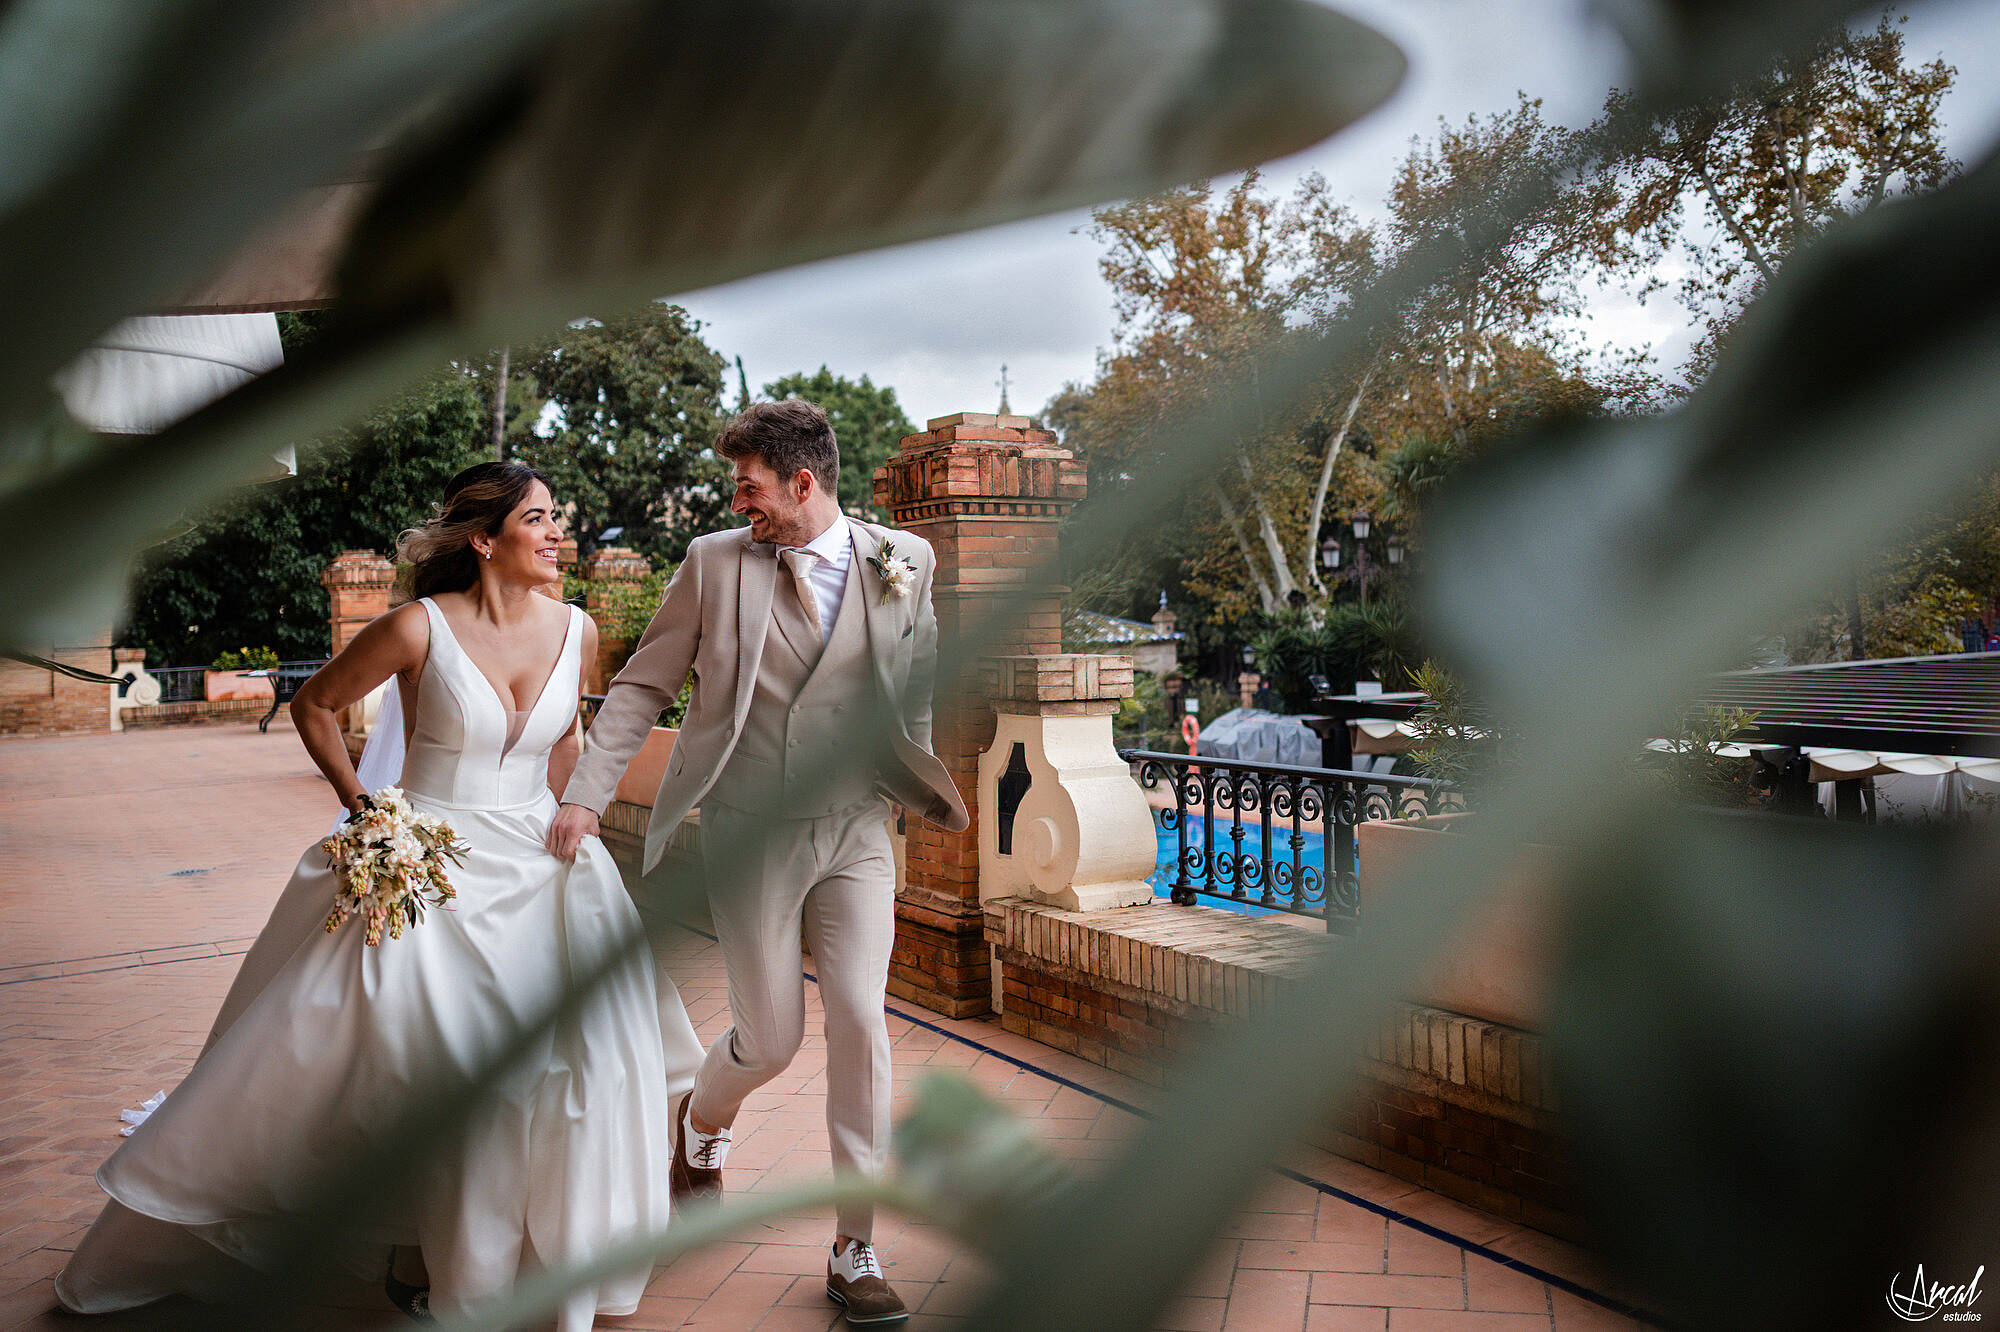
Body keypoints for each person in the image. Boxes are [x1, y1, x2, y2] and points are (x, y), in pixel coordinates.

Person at [56, 462, 704, 1331]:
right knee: (428, 1067)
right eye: (540, 519)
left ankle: (516, 1254)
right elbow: (316, 706)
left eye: (557, 519)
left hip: (546, 869)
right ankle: (425, 1249)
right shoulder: (416, 628)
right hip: (427, 872)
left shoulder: (580, 629)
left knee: (568, 1069)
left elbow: (566, 748)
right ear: (484, 539)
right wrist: (366, 810)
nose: (558, 534)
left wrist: (578, 812)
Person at [547, 399, 968, 1326]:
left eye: (751, 488)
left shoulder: (906, 561)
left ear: (801, 483)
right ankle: (700, 1126)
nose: (742, 504)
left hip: (856, 829)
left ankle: (856, 1247)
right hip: (748, 830)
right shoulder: (713, 564)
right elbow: (643, 685)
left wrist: (913, 777)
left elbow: (919, 670)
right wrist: (584, 793)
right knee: (770, 1039)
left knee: (861, 1020)